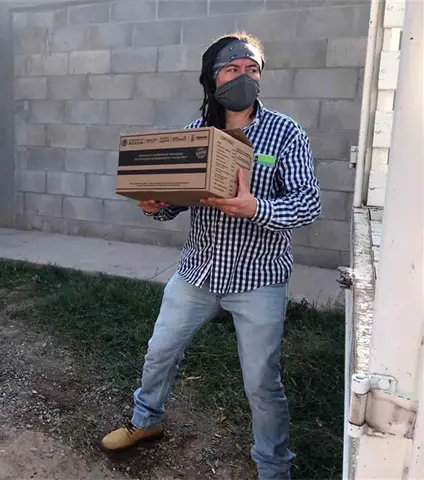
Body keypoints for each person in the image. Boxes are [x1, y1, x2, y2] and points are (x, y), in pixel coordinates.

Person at [100, 33, 322, 480]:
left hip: (259, 277)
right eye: (233, 69)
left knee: (262, 381)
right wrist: (154, 205)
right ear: (212, 78)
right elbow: (177, 203)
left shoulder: (285, 133)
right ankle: (146, 421)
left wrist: (256, 207)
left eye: (253, 69)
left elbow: (308, 203)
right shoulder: (195, 135)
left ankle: (273, 468)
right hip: (199, 271)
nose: (244, 76)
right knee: (160, 351)